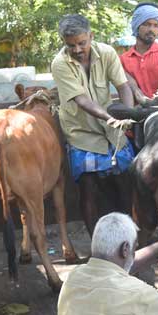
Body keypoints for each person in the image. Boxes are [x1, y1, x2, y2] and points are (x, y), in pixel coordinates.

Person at [51, 13, 137, 236]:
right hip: (81, 132)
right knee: (88, 189)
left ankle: (130, 237)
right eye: (71, 46)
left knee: (126, 181)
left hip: (113, 130)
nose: (78, 49)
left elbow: (123, 87)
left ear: (91, 36)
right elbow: (81, 100)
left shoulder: (107, 53)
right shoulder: (60, 64)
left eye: (82, 43)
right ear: (64, 43)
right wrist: (110, 118)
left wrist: (128, 117)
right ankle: (96, 245)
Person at [119, 3, 158, 104]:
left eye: (156, 26)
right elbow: (134, 90)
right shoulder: (122, 60)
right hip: (139, 111)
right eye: (147, 24)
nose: (152, 29)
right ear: (136, 26)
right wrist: (144, 101)